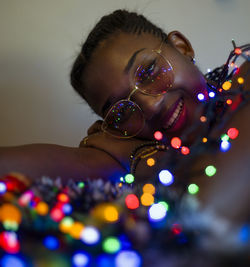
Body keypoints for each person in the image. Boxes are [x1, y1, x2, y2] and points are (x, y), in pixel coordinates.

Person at [0, 9, 249, 233]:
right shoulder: (128, 150)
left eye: (149, 72)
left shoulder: (246, 78)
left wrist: (137, 157)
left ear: (181, 47)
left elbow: (205, 210)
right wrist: (128, 155)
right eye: (122, 110)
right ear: (112, 128)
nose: (151, 106)